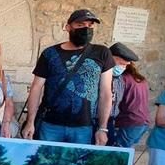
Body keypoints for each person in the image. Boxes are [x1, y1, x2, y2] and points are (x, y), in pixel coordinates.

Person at [22, 9, 114, 145]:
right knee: (45, 164)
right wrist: (30, 122)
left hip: (84, 127)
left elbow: (105, 93)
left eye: (90, 25)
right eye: (80, 25)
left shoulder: (102, 53)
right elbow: (36, 88)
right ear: (68, 27)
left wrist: (102, 128)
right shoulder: (50, 54)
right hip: (50, 124)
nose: (86, 29)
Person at [109, 42, 150, 147]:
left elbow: (113, 102)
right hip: (142, 122)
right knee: (126, 152)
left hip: (128, 121)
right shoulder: (140, 79)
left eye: (123, 64)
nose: (121, 67)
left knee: (118, 154)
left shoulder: (121, 79)